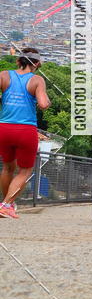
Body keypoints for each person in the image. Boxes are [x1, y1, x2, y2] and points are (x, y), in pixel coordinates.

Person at [0, 48, 50, 218]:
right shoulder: (37, 80)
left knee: (7, 167)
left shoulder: (4, 75)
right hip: (25, 129)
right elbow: (43, 104)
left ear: (18, 61)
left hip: (4, 127)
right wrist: (45, 98)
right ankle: (6, 204)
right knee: (25, 170)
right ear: (36, 64)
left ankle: (7, 204)